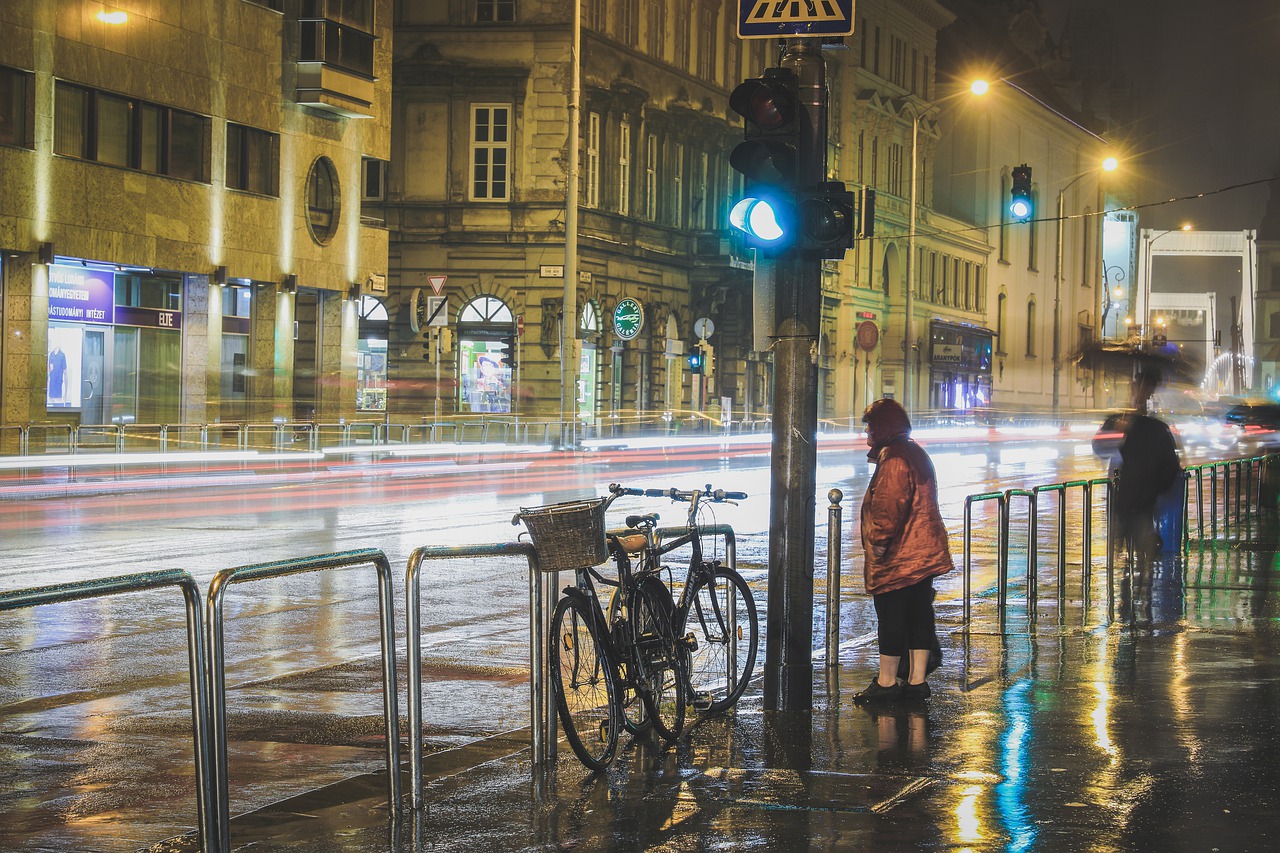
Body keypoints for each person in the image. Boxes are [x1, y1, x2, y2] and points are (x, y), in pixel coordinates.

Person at [854, 398, 954, 703]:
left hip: (901, 557)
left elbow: (887, 511)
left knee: (892, 618)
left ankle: (886, 683)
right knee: (919, 615)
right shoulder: (914, 452)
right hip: (924, 553)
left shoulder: (895, 459)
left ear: (884, 426)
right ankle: (916, 681)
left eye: (870, 425)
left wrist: (878, 547)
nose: (867, 432)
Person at [1112, 370, 1182, 557]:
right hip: (1139, 497)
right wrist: (1158, 487)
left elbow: (1104, 449)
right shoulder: (1153, 428)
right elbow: (1172, 466)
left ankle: (1135, 566)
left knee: (1131, 540)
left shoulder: (1140, 427)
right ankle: (1139, 566)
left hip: (1132, 496)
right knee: (1137, 541)